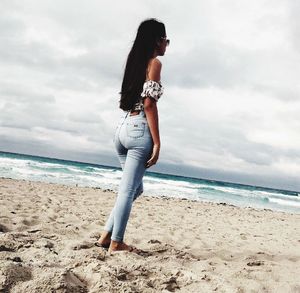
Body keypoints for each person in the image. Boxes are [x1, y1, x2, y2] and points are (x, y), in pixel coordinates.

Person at [97, 18, 169, 254]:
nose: (167, 45)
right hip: (139, 131)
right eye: (166, 40)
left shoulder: (134, 62)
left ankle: (107, 235)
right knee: (128, 190)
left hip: (123, 127)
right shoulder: (154, 63)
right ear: (158, 40)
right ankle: (117, 242)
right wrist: (157, 142)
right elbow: (149, 104)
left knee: (134, 189)